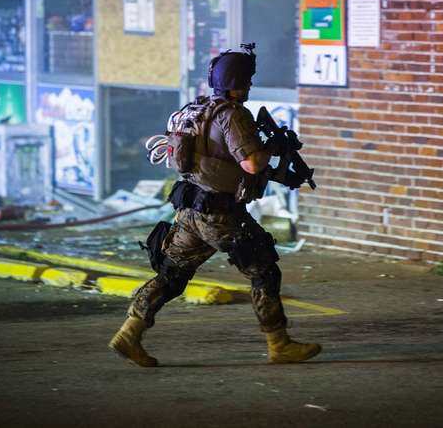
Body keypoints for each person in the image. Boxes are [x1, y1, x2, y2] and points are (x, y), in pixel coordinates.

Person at [109, 44, 321, 366]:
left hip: (190, 210)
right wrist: (272, 148)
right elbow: (250, 163)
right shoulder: (232, 115)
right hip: (220, 215)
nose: (249, 86)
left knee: (172, 274)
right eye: (247, 80)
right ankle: (280, 344)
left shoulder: (195, 110)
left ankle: (129, 332)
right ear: (237, 81)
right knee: (264, 270)